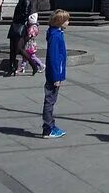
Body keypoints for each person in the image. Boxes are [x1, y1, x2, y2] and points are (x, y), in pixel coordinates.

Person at [42, 8, 69, 139]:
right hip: (54, 74)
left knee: (51, 100)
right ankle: (48, 128)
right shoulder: (56, 35)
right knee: (50, 101)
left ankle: (50, 125)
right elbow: (54, 57)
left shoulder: (57, 33)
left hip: (55, 72)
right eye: (66, 20)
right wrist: (57, 77)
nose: (68, 22)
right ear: (60, 21)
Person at [6, 0, 34, 76]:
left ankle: (33, 64)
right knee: (12, 48)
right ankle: (11, 68)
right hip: (15, 25)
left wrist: (17, 19)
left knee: (18, 48)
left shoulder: (26, 0)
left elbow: (25, 14)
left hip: (20, 26)